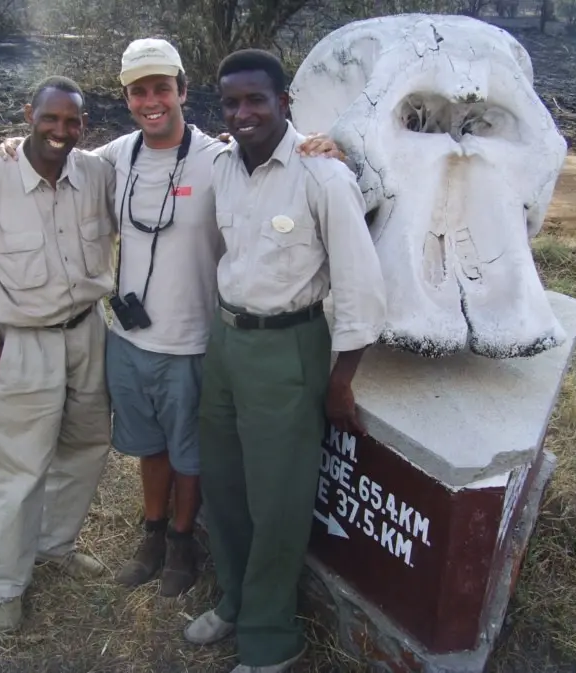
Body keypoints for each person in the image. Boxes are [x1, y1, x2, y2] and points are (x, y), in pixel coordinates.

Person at [0, 38, 341, 598]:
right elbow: (53, 154)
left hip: (196, 340)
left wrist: (327, 145)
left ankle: (184, 540)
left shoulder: (221, 157)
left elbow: (281, 169)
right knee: (148, 448)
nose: (151, 100)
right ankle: (152, 533)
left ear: (182, 90)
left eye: (162, 88)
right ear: (127, 98)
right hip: (128, 341)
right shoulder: (112, 159)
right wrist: (16, 143)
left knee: (190, 453)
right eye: (138, 91)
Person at [182, 49, 386, 673]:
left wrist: (340, 382)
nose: (243, 113)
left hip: (289, 349)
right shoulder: (223, 167)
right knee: (224, 481)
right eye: (232, 102)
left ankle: (272, 639)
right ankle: (237, 600)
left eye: (256, 101)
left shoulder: (321, 176)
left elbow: (360, 291)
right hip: (228, 343)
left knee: (278, 500)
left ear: (284, 104)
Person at [0, 75, 117, 632]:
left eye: (72, 121)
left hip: (88, 332)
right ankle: (8, 586)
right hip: (24, 344)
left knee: (87, 447)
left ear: (83, 126)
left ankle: (56, 546)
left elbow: (156, 158)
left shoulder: (97, 173)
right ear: (27, 115)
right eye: (50, 118)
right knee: (21, 468)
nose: (60, 131)